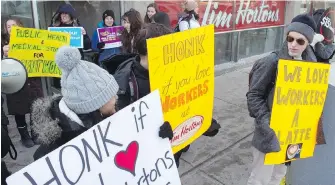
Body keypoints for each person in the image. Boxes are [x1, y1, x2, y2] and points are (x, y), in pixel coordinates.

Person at [31, 46, 173, 160]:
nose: (116, 98)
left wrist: (157, 136)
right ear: (95, 105)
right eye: (110, 96)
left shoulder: (107, 116)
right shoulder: (54, 151)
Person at [113, 23, 220, 167]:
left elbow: (187, 104)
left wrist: (204, 121)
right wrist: (154, 134)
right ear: (154, 51)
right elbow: (121, 133)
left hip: (172, 156)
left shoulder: (175, 72)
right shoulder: (126, 84)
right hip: (146, 164)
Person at [246, 14, 317, 185]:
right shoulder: (272, 61)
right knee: (259, 180)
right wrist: (266, 123)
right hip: (269, 134)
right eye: (290, 38)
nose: (293, 44)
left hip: (292, 134)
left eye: (300, 41)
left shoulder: (311, 64)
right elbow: (253, 96)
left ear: (308, 43)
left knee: (279, 175)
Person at [1, 18, 44, 148]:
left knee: (34, 107)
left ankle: (35, 133)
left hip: (31, 79)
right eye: (8, 26)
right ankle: (24, 136)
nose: (11, 28)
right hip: (14, 81)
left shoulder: (30, 39)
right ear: (5, 29)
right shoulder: (3, 42)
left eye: (13, 25)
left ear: (20, 26)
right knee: (19, 110)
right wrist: (3, 54)